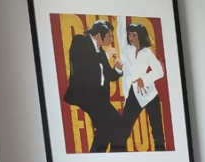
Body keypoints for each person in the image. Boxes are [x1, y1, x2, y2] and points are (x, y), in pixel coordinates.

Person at [63, 20, 126, 153]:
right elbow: (83, 66)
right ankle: (106, 156)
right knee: (113, 125)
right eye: (109, 35)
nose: (111, 39)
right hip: (84, 96)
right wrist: (106, 55)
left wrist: (118, 69)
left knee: (113, 127)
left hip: (99, 99)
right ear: (99, 33)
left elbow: (108, 75)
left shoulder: (100, 51)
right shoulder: (80, 41)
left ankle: (102, 156)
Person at [118, 20, 166, 151]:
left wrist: (144, 79)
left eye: (134, 35)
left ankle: (161, 154)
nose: (130, 37)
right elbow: (120, 32)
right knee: (124, 129)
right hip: (134, 94)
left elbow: (160, 71)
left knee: (157, 131)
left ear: (140, 35)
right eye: (129, 34)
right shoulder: (127, 50)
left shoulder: (147, 53)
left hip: (150, 94)